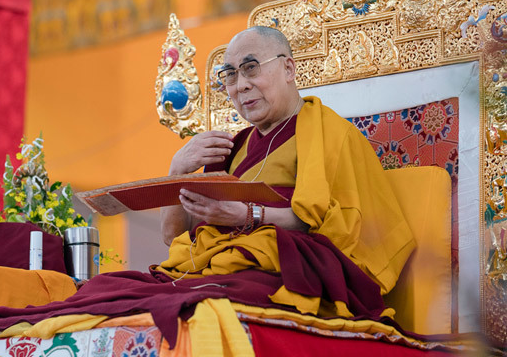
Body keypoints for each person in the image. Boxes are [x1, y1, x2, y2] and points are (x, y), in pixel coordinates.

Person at [156, 26, 415, 301]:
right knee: (115, 291)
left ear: (289, 69)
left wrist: (246, 216)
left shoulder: (329, 133)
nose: (241, 84)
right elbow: (174, 237)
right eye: (230, 74)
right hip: (220, 264)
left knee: (212, 302)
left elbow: (337, 228)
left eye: (251, 68)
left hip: (285, 269)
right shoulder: (232, 149)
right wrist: (177, 169)